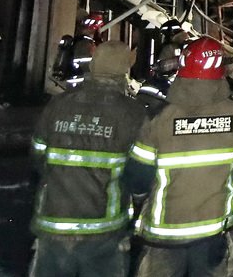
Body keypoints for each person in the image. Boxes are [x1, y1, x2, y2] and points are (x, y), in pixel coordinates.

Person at [124, 37, 233, 277]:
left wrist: (140, 200)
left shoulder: (159, 119)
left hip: (163, 235)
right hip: (214, 233)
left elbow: (138, 179)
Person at [28, 40, 147, 277]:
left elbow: (38, 157)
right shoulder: (133, 112)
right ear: (124, 70)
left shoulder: (58, 104)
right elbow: (140, 175)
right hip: (104, 231)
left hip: (53, 224)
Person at [53, 12, 106, 88]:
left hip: (76, 82)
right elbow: (85, 65)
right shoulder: (84, 43)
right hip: (79, 84)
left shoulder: (81, 41)